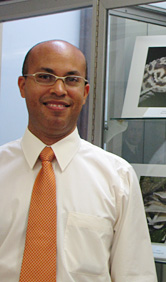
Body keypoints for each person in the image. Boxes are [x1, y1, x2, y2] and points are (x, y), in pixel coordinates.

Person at [0, 40, 157, 281]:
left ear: (84, 93)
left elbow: (135, 274)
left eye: (72, 80)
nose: (59, 90)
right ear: (23, 86)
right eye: (45, 77)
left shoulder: (117, 177)